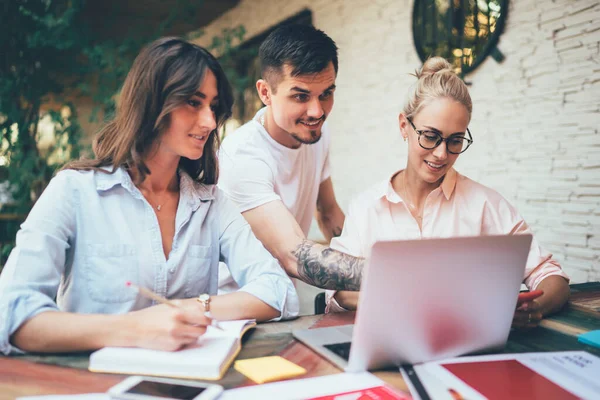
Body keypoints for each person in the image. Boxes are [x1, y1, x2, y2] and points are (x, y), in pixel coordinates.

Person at [0, 37, 298, 355]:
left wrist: (196, 308)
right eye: (194, 103)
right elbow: (13, 315)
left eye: (213, 106)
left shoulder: (212, 205)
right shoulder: (74, 191)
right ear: (153, 103)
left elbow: (278, 291)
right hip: (94, 385)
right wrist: (137, 329)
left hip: (192, 383)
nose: (210, 122)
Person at [326, 57, 570, 329]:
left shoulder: (486, 205)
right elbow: (337, 292)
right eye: (430, 136)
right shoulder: (366, 207)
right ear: (404, 126)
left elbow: (552, 278)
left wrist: (533, 308)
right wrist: (415, 302)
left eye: (455, 140)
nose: (442, 154)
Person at [218, 24, 363, 291]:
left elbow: (328, 212)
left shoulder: (317, 133)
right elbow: (292, 254)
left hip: (282, 303)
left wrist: (364, 252)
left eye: (327, 94)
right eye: (300, 96)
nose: (317, 111)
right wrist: (384, 273)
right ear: (265, 93)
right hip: (235, 311)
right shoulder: (241, 155)